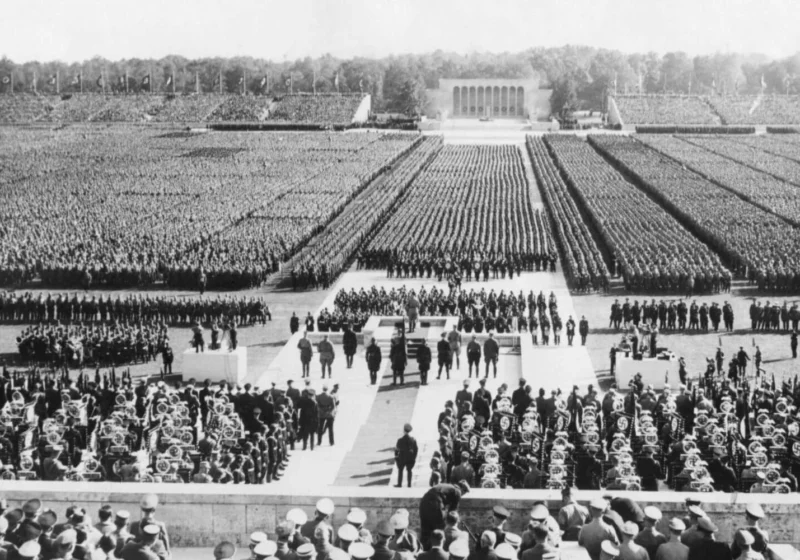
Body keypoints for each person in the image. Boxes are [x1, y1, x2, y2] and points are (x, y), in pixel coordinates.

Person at [419, 481, 470, 551]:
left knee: (426, 530)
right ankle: (438, 552)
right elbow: (452, 513)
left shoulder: (448, 487)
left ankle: (424, 552)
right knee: (439, 530)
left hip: (424, 503)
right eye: (464, 493)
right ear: (463, 489)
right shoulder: (457, 491)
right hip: (435, 504)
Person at [395, 423, 418, 488]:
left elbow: (397, 449)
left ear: (404, 431)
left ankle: (399, 484)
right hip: (410, 458)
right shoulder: (413, 440)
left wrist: (396, 456)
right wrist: (414, 457)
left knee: (400, 470)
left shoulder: (400, 440)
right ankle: (409, 484)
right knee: (409, 471)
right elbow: (416, 449)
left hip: (402, 457)